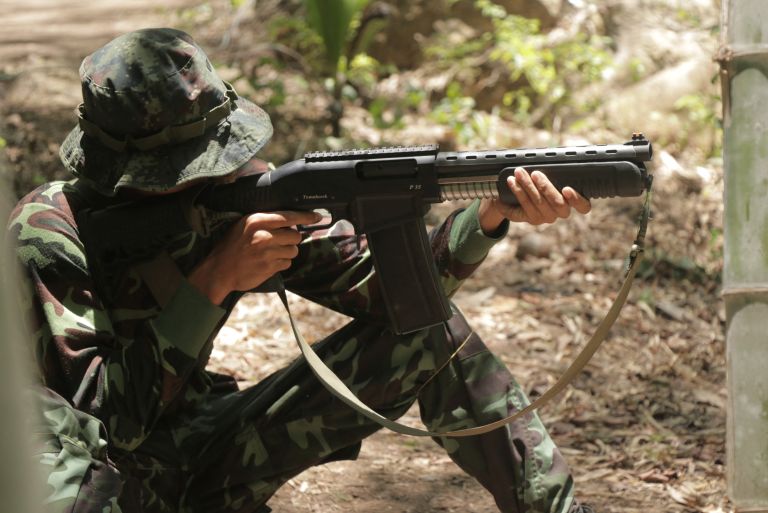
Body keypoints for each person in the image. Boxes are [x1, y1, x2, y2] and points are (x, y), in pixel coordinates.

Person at [8, 28, 595, 513]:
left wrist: (489, 213)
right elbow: (103, 426)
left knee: (430, 332)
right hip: (104, 486)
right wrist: (213, 281)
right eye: (198, 164)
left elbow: (396, 295)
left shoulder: (225, 202)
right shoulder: (49, 235)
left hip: (208, 448)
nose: (223, 172)